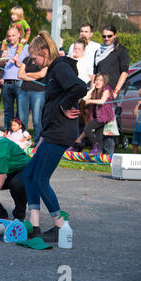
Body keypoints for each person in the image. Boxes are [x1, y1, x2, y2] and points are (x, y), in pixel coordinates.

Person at [22, 31, 87, 242]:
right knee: (28, 174)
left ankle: (60, 225)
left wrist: (65, 105)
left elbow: (79, 87)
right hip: (51, 131)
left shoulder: (60, 67)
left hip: (61, 132)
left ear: (44, 52)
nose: (34, 62)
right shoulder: (53, 70)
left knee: (40, 178)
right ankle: (33, 226)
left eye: (35, 58)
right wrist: (42, 136)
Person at [94, 25, 130, 154]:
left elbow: (124, 72)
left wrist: (116, 91)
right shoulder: (98, 52)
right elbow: (95, 73)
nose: (106, 38)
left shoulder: (121, 51)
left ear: (115, 35)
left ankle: (109, 154)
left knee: (108, 123)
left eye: (109, 36)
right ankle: (99, 150)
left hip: (112, 91)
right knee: (98, 122)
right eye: (104, 36)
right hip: (99, 92)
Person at [67, 73, 115, 155]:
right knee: (98, 134)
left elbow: (102, 101)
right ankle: (99, 153)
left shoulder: (106, 89)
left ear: (104, 82)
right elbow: (85, 98)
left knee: (87, 129)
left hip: (104, 116)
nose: (98, 82)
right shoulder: (95, 90)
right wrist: (92, 88)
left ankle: (96, 147)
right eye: (96, 80)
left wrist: (90, 101)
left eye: (100, 80)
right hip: (97, 116)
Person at [0, 27, 30, 131]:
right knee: (8, 111)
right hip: (7, 82)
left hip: (19, 82)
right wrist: (2, 62)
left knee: (21, 111)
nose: (11, 38)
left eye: (13, 35)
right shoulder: (5, 48)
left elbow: (31, 64)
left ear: (19, 35)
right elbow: (1, 65)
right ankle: (8, 133)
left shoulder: (25, 48)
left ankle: (21, 134)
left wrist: (19, 64)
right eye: (9, 36)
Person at [17, 51, 47, 145]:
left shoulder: (45, 60)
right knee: (22, 119)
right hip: (24, 91)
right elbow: (19, 74)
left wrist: (27, 74)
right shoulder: (27, 59)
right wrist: (34, 75)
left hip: (39, 92)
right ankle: (23, 142)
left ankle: (37, 143)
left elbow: (42, 74)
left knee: (37, 120)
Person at [132, 89, 141, 154]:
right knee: (135, 143)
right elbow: (134, 114)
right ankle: (134, 157)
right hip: (137, 128)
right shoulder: (139, 103)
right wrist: (137, 105)